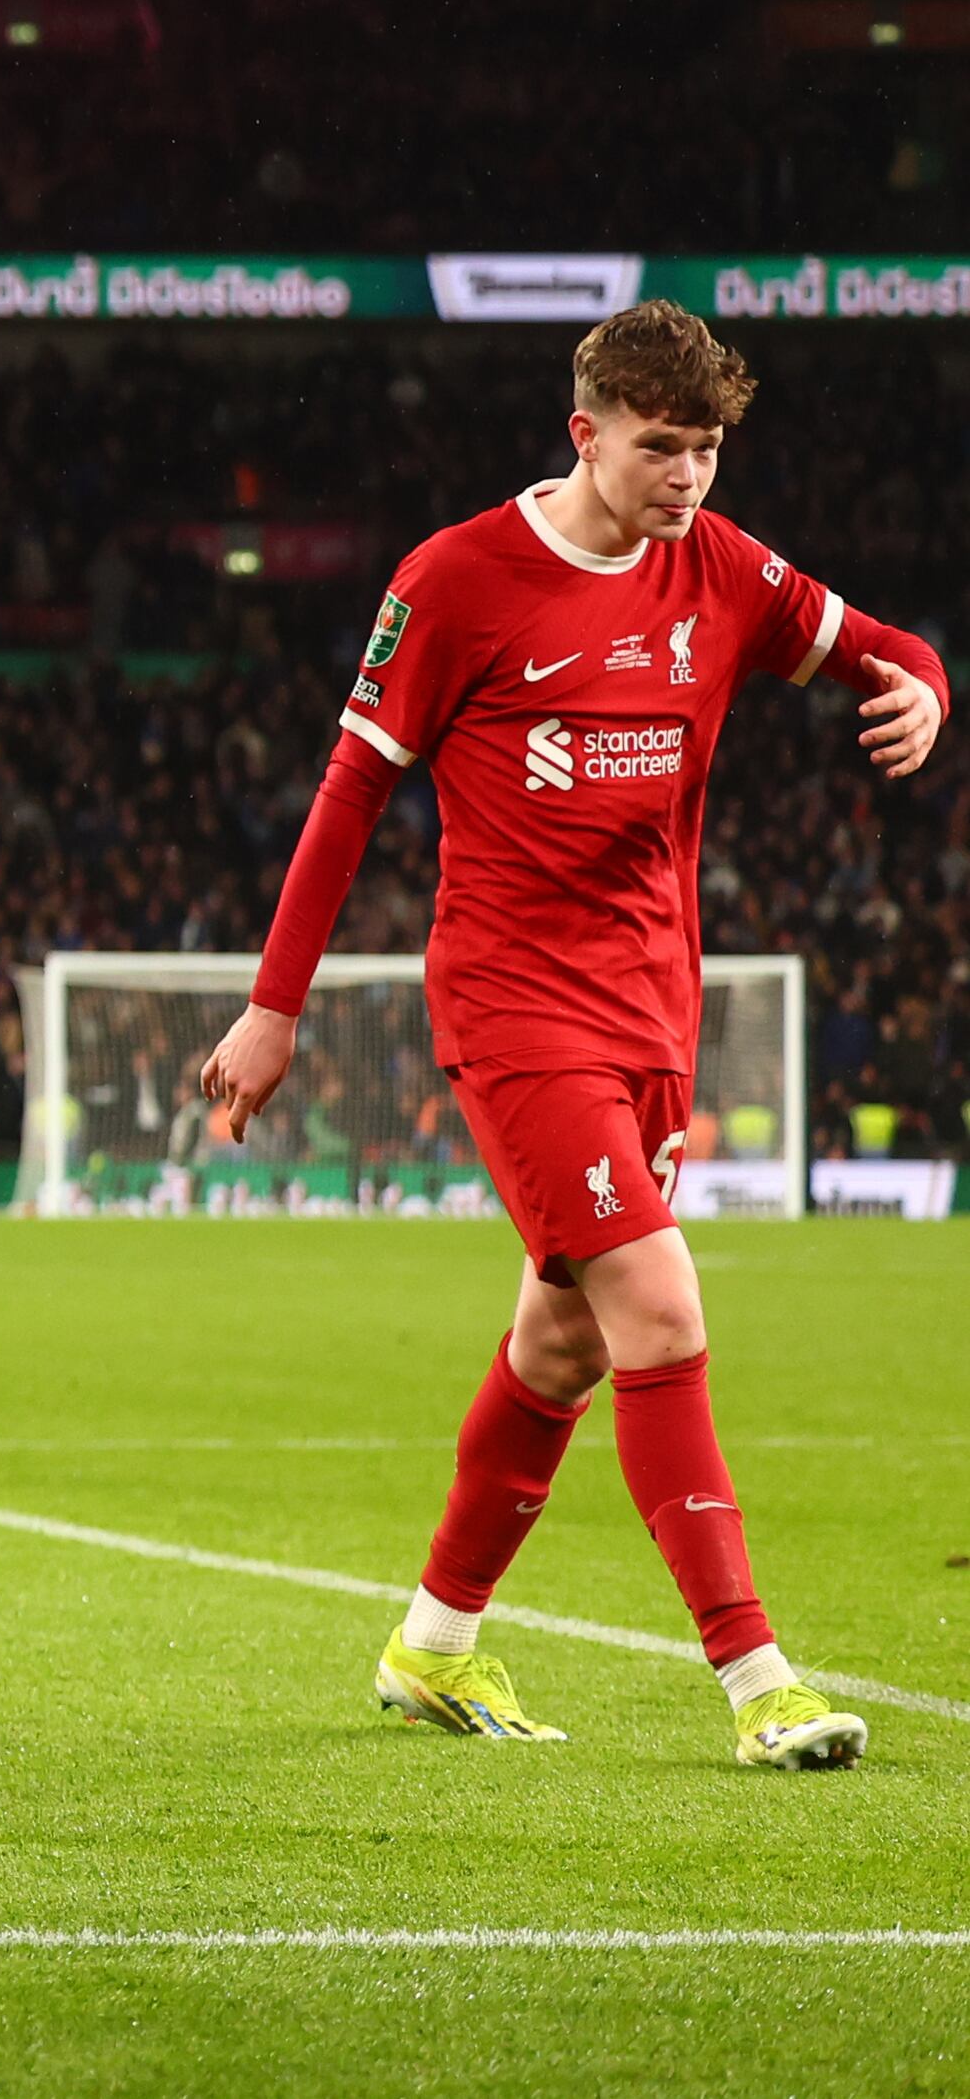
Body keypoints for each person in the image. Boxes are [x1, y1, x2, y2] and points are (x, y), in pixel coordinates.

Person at [197, 300, 939, 1769]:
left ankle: (433, 1646)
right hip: (514, 1006)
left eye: (709, 449)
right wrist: (273, 1009)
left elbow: (880, 642)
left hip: (653, 1006)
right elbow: (352, 795)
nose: (687, 477)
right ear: (584, 432)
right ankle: (759, 1682)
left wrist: (923, 688)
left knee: (562, 1343)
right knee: (661, 1307)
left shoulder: (719, 569)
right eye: (660, 447)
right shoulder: (460, 580)